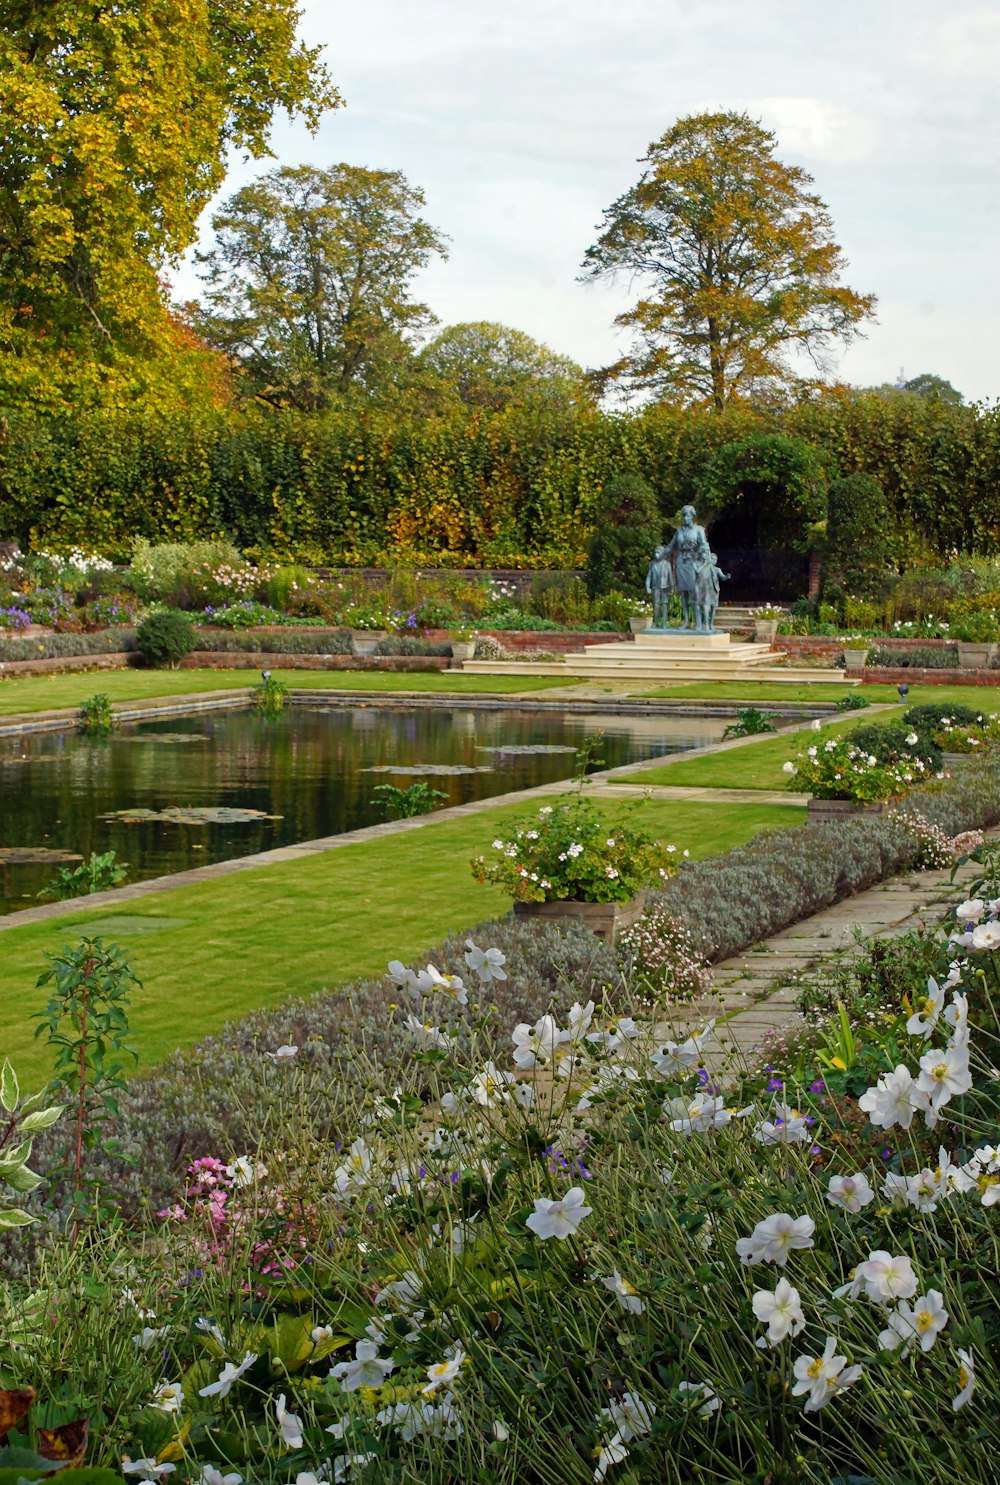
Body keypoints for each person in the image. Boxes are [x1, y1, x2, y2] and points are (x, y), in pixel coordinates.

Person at [663, 506, 711, 629]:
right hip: (681, 562)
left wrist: (701, 555)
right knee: (683, 593)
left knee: (694, 591)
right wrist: (662, 553)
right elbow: (671, 546)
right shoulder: (679, 531)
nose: (685, 518)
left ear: (692, 516)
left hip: (693, 561)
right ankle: (685, 621)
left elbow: (704, 545)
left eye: (688, 515)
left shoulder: (698, 530)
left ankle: (699, 621)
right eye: (684, 515)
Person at [694, 553, 730, 633]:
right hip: (706, 591)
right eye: (712, 559)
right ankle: (705, 624)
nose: (714, 561)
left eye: (715, 559)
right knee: (706, 608)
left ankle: (711, 624)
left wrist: (726, 577)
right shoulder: (705, 569)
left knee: (713, 608)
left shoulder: (717, 570)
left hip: (714, 591)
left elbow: (722, 577)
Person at [644, 545, 674, 628]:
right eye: (655, 553)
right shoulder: (652, 564)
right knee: (656, 605)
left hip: (665, 587)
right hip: (655, 587)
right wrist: (648, 587)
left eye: (658, 553)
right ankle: (655, 622)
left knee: (664, 605)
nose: (656, 554)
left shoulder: (667, 564)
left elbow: (670, 577)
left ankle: (664, 623)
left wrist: (672, 588)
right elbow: (649, 576)